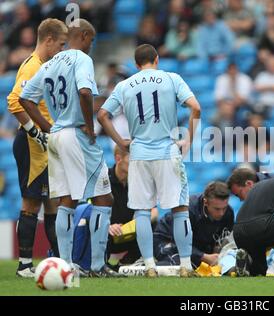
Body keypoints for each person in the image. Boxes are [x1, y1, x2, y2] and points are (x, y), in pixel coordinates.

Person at [19, 19, 117, 277]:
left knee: (67, 200)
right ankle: (97, 266)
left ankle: (66, 266)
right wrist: (89, 125)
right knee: (104, 197)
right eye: (92, 40)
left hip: (57, 136)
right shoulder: (81, 59)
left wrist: (47, 127)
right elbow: (85, 92)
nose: (91, 46)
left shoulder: (50, 63)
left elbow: (24, 98)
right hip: (76, 133)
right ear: (84, 36)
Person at [97, 44, 202, 278]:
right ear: (156, 60)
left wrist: (121, 142)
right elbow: (195, 107)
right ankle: (186, 266)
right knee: (180, 209)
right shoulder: (171, 78)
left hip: (139, 154)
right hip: (167, 151)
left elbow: (102, 115)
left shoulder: (124, 85)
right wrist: (189, 140)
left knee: (142, 212)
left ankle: (150, 266)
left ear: (136, 65)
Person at [7, 18, 68, 277]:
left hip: (46, 143)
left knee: (52, 203)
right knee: (32, 202)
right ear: (49, 40)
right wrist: (36, 132)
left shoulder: (46, 66)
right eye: (61, 44)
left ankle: (60, 263)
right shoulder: (32, 67)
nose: (62, 50)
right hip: (33, 146)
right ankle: (24, 265)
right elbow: (14, 102)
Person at [153, 181, 234, 268]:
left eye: (224, 208)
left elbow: (221, 241)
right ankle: (144, 265)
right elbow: (180, 241)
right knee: (182, 266)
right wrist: (203, 256)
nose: (221, 213)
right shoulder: (187, 211)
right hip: (167, 240)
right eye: (217, 209)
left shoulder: (228, 213)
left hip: (197, 246)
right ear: (205, 202)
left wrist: (217, 255)